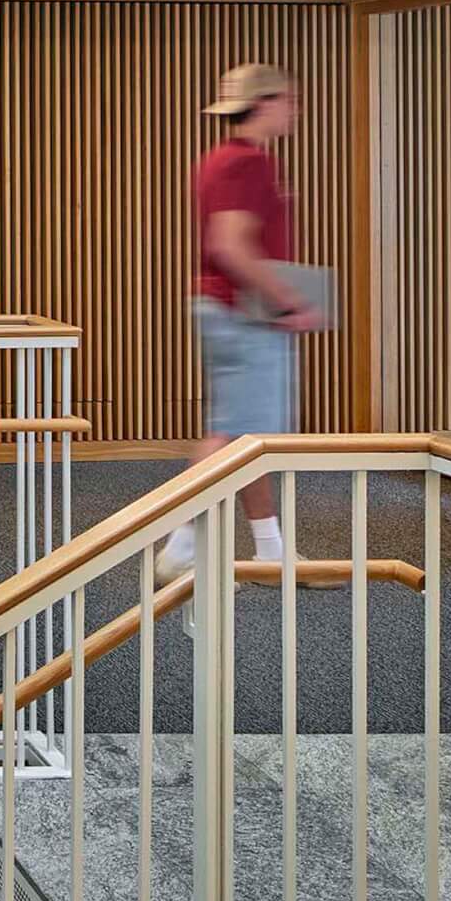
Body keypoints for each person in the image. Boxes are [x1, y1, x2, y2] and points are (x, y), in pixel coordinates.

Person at [161, 63, 325, 577]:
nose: (296, 109)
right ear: (265, 102)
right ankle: (181, 545)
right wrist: (289, 302)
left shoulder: (223, 160)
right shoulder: (246, 163)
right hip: (242, 313)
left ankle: (271, 550)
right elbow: (231, 246)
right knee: (233, 436)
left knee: (244, 433)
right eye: (290, 100)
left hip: (230, 310)